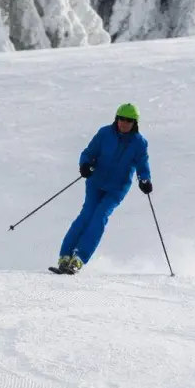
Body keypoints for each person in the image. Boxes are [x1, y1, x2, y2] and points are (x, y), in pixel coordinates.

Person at [54, 103, 152, 274]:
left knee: (99, 217)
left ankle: (78, 259)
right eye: (122, 119)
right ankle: (65, 256)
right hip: (95, 182)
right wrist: (85, 164)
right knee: (86, 216)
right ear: (116, 119)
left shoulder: (139, 143)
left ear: (135, 123)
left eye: (129, 120)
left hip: (117, 188)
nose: (124, 123)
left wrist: (145, 180)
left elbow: (142, 165)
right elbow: (89, 153)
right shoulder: (104, 133)